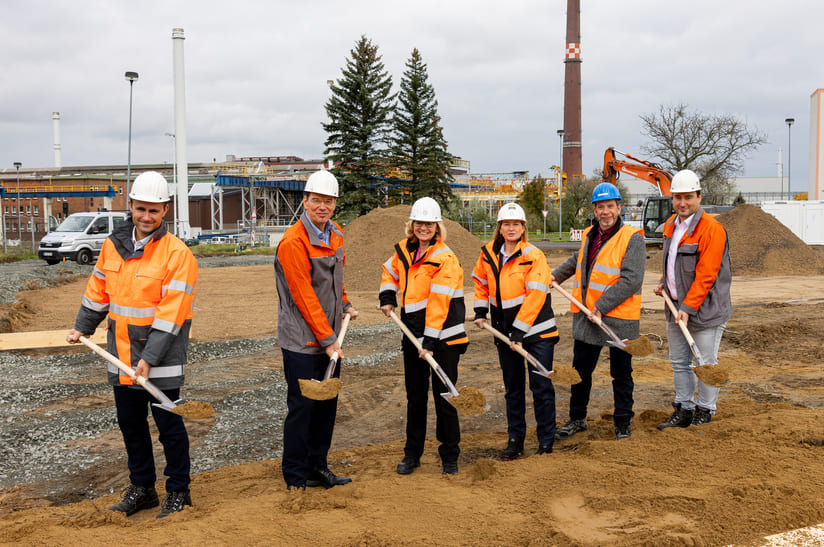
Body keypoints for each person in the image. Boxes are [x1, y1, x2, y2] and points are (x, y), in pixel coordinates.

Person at [66, 171, 198, 519]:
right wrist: (82, 327)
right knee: (132, 426)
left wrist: (150, 359)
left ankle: (178, 492)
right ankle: (143, 489)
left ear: (165, 210)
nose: (146, 217)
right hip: (121, 354)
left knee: (169, 428)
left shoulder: (177, 254)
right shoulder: (113, 244)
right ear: (131, 206)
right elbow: (98, 291)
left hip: (162, 357)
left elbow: (171, 315)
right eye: (141, 209)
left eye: (154, 211)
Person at [274, 170, 358, 490]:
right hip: (302, 341)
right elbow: (304, 295)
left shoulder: (334, 234)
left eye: (328, 201)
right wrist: (327, 340)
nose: (322, 207)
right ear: (305, 201)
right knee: (303, 408)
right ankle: (295, 475)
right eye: (316, 201)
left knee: (326, 406)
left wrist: (346, 303)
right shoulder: (293, 242)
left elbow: (334, 282)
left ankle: (317, 466)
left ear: (335, 203)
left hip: (330, 338)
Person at [379, 197, 468, 476]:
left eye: (429, 224)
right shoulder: (404, 250)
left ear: (437, 226)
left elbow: (439, 303)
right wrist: (387, 295)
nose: (423, 228)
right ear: (412, 224)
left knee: (445, 395)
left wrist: (428, 342)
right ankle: (412, 454)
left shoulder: (446, 258)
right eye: (419, 223)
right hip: (413, 334)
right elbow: (390, 272)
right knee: (415, 397)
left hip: (443, 338)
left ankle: (449, 455)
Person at [551, 183, 645, 440]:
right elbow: (578, 261)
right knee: (580, 372)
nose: (605, 212)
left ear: (619, 208)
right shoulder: (589, 235)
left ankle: (623, 421)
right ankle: (577, 418)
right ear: (594, 209)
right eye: (600, 207)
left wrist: (601, 307)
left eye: (610, 207)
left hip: (618, 318)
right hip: (587, 317)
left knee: (621, 373)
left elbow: (631, 280)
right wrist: (555, 276)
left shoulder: (632, 238)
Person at [472, 202, 558, 460]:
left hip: (536, 333)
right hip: (505, 334)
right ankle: (515, 440)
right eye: (506, 224)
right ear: (499, 227)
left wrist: (519, 331)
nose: (511, 229)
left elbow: (535, 296)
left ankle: (546, 441)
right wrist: (480, 312)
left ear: (523, 228)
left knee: (541, 386)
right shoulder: (488, 253)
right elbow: (480, 282)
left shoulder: (534, 255)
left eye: (516, 224)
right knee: (513, 389)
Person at [654, 169, 732, 429]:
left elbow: (706, 275)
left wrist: (687, 307)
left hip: (705, 310)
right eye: (677, 197)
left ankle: (705, 411)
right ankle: (684, 408)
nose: (682, 203)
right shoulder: (670, 226)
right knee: (679, 362)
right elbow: (673, 264)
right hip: (676, 307)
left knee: (705, 362)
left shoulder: (712, 229)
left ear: (699, 197)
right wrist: (665, 284)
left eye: (688, 197)